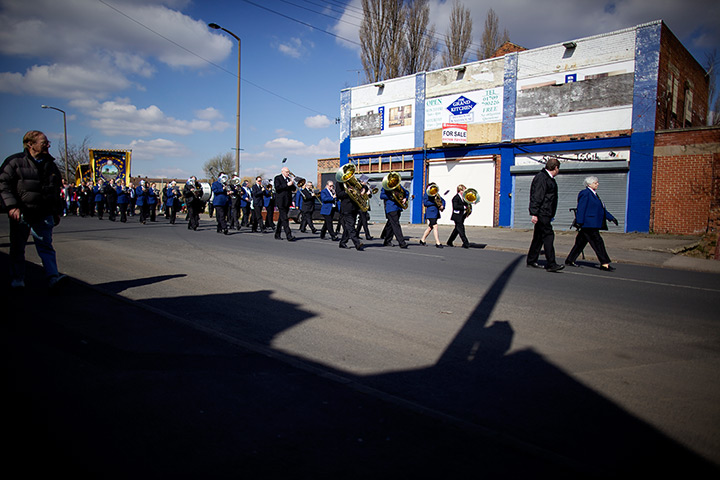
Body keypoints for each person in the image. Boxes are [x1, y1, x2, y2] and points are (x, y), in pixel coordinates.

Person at [0, 130, 66, 289]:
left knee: (46, 246)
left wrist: (56, 211)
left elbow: (56, 190)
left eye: (48, 142)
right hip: (22, 212)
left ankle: (53, 277)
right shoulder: (15, 162)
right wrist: (12, 206)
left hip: (43, 212)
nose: (48, 145)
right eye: (44, 143)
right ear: (30, 144)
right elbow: (3, 184)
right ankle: (18, 278)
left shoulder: (50, 165)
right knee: (18, 247)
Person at [565, 176, 619, 271]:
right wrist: (579, 221)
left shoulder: (595, 195)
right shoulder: (585, 193)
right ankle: (604, 263)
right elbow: (581, 208)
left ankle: (570, 260)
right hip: (588, 224)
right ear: (589, 184)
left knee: (580, 243)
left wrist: (611, 218)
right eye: (595, 182)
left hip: (592, 224)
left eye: (597, 182)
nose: (597, 184)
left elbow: (601, 210)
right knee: (598, 242)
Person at [527, 157, 564, 272]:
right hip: (543, 212)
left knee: (538, 238)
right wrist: (534, 213)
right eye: (558, 168)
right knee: (548, 236)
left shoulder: (548, 178)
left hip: (546, 212)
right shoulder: (542, 178)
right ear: (556, 168)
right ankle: (551, 263)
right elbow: (537, 196)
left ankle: (531, 260)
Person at [336, 180, 364, 250]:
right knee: (350, 225)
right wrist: (347, 191)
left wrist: (364, 189)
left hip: (354, 207)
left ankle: (343, 242)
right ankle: (357, 243)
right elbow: (339, 195)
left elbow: (362, 186)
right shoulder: (340, 183)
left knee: (348, 227)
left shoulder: (353, 181)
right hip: (346, 207)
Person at [380, 182, 409, 249]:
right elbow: (382, 196)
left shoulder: (398, 186)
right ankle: (402, 242)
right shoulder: (386, 186)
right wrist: (392, 196)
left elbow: (406, 192)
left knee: (391, 225)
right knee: (396, 224)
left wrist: (405, 198)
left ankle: (387, 241)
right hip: (391, 208)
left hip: (398, 207)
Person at [273, 167, 296, 241]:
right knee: (285, 218)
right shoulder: (278, 178)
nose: (288, 173)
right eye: (286, 172)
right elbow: (277, 188)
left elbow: (293, 189)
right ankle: (289, 235)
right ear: (282, 172)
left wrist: (292, 183)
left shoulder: (288, 179)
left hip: (287, 201)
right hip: (281, 201)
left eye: (288, 172)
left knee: (281, 218)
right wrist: (287, 184)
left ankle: (277, 234)